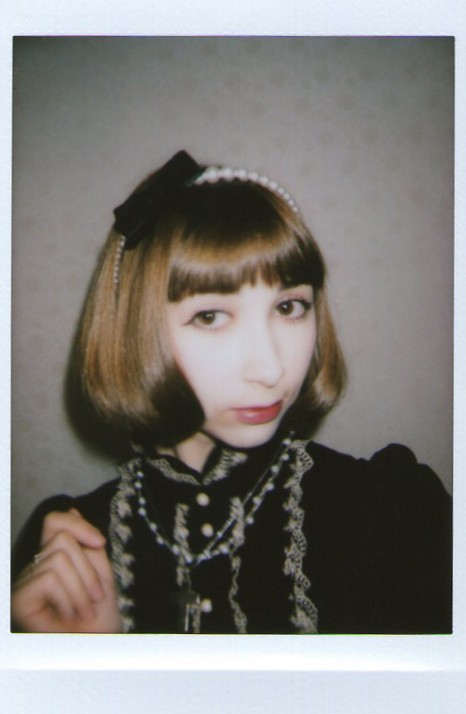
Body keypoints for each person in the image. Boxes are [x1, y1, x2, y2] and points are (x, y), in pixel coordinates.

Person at [11, 151, 452, 634]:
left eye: (289, 306)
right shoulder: (67, 546)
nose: (271, 367)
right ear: (135, 330)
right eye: (211, 316)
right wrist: (86, 658)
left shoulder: (391, 513)